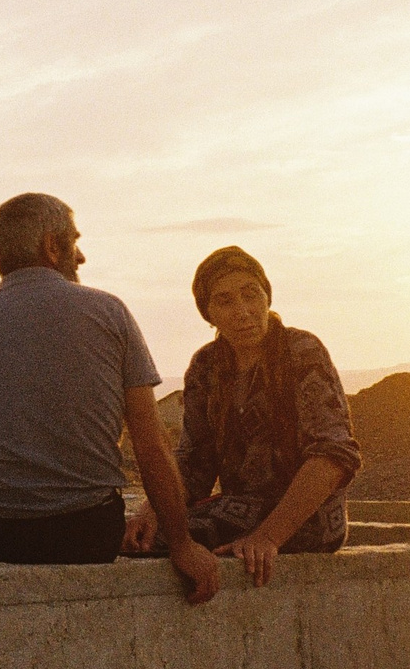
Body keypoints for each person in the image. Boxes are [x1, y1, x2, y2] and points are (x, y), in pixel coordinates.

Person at [0, 193, 220, 603]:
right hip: (81, 533)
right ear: (52, 246)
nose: (80, 257)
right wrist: (182, 545)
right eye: (75, 242)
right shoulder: (109, 312)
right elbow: (150, 444)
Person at [124, 247, 364, 587]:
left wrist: (268, 538)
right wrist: (152, 510)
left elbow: (332, 457)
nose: (243, 312)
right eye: (224, 301)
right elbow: (195, 463)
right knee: (140, 536)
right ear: (208, 314)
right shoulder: (205, 367)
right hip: (240, 509)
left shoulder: (302, 352)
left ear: (267, 295)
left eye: (251, 295)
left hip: (308, 518)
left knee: (165, 543)